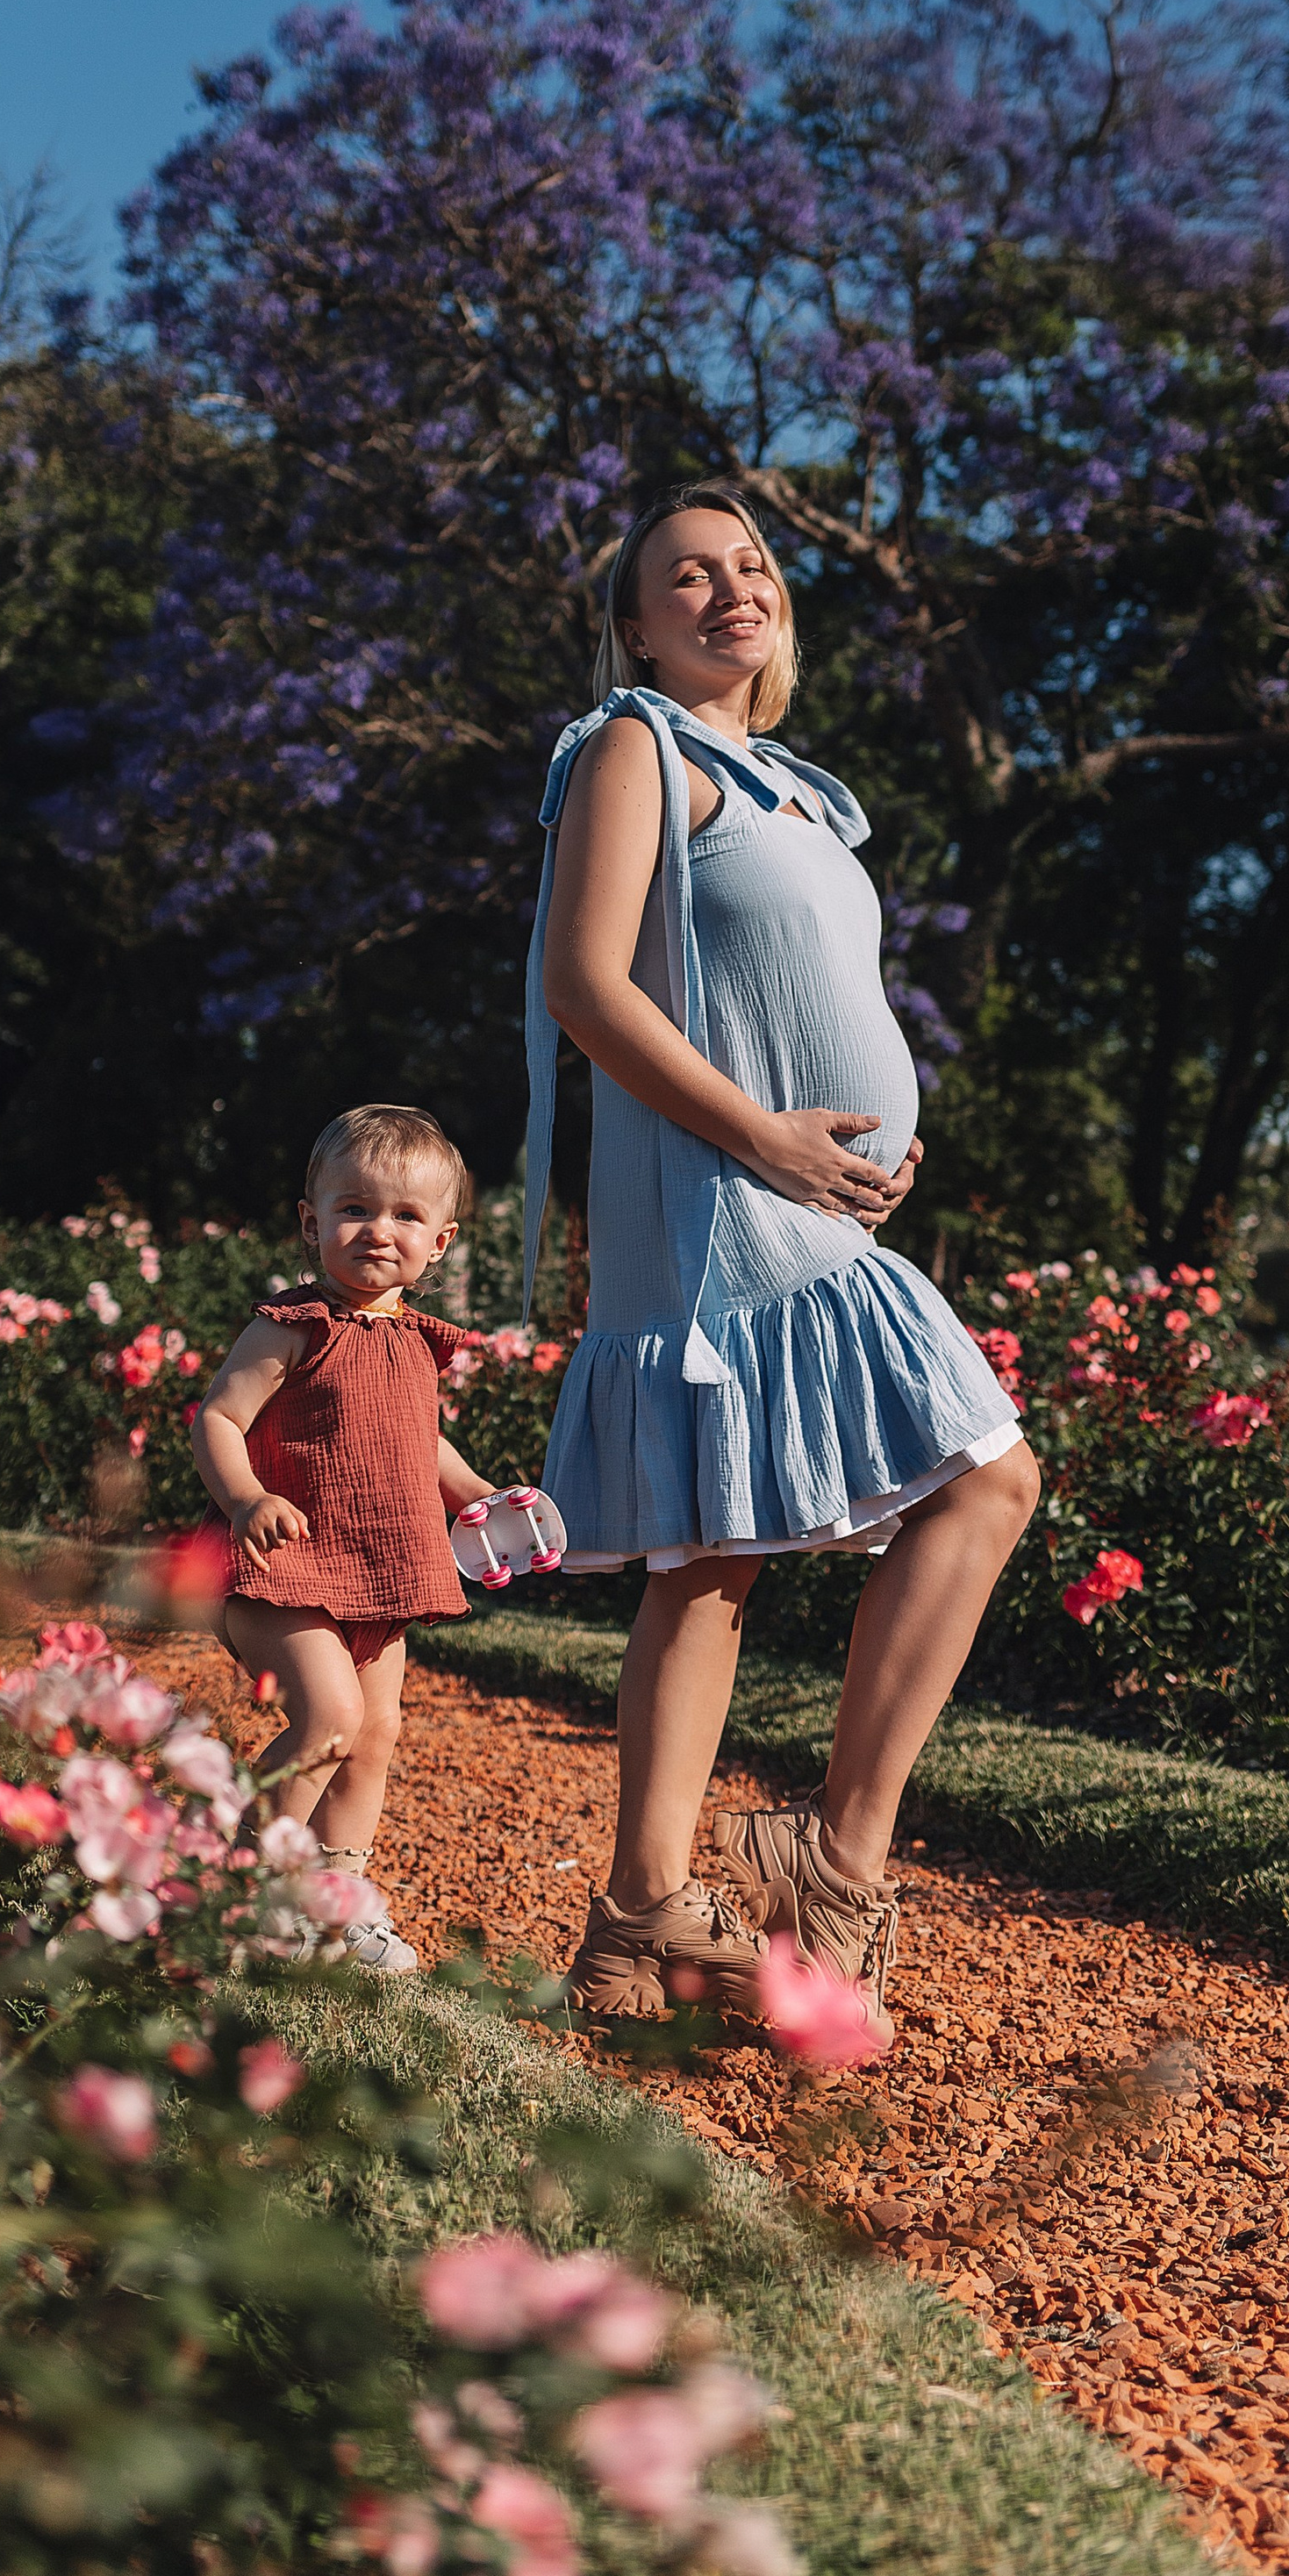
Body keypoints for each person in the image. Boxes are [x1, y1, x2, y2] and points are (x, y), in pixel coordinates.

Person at [525, 483, 1040, 2025]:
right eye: (685, 576)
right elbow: (582, 983)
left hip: (814, 1202)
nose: (727, 588)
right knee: (873, 1509)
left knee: (732, 1552)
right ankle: (806, 1884)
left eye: (750, 564)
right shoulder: (636, 746)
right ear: (634, 622)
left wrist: (882, 1125)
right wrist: (766, 1137)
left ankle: (648, 1924)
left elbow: (809, 987)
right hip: (724, 1205)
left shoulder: (793, 788)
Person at [190, 1102, 488, 1973]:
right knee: (328, 1719)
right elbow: (217, 1417)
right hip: (282, 1565)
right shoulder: (291, 1327)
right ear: (311, 1221)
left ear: (440, 1244)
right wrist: (245, 1499)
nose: (377, 1230)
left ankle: (338, 1902)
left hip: (383, 1568)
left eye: (406, 1215)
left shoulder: (417, 1342)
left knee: (374, 1733)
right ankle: (244, 1883)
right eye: (354, 1209)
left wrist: (476, 1492)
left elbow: (415, 1438)